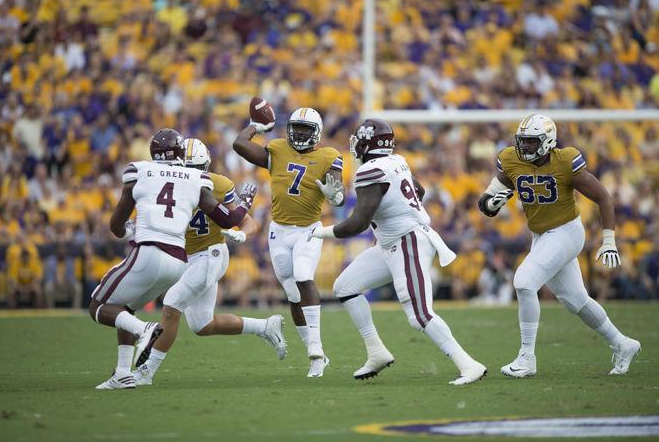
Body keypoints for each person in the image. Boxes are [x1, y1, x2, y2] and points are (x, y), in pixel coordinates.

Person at [309, 119, 487, 385]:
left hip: (407, 242)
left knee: (419, 315)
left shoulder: (369, 171)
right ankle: (376, 351)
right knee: (345, 287)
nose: (355, 144)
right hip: (392, 242)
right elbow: (420, 190)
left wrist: (318, 231)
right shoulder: (397, 160)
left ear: (367, 142)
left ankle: (468, 364)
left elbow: (357, 224)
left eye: (359, 139)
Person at [88, 128, 257, 390]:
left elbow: (116, 224)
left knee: (99, 305)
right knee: (126, 307)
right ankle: (123, 373)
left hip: (149, 251)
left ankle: (144, 331)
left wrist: (126, 231)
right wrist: (245, 203)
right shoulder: (197, 178)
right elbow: (228, 219)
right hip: (178, 261)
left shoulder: (140, 170)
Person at [477, 113, 641, 377]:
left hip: (566, 232)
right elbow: (486, 201)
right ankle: (623, 343)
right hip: (542, 236)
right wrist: (491, 204)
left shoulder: (565, 161)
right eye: (523, 141)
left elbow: (603, 197)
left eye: (531, 142)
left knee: (524, 281)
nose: (524, 147)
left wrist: (609, 240)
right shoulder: (510, 159)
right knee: (576, 300)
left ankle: (527, 357)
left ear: (547, 141)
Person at [133, 139, 285, 386]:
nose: (193, 174)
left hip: (210, 254)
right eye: (188, 167)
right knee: (202, 324)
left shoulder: (219, 184)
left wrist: (242, 234)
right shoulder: (171, 183)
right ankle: (266, 326)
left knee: (171, 305)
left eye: (197, 168)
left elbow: (247, 222)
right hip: (186, 257)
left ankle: (146, 372)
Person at [232, 107, 344, 377]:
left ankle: (316, 347)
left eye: (306, 129)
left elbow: (338, 195)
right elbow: (239, 144)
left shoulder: (329, 155)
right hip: (279, 230)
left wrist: (335, 196)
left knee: (304, 276)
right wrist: (255, 126)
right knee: (293, 294)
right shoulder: (278, 148)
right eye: (297, 127)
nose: (300, 133)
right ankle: (315, 355)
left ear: (316, 132)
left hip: (309, 228)